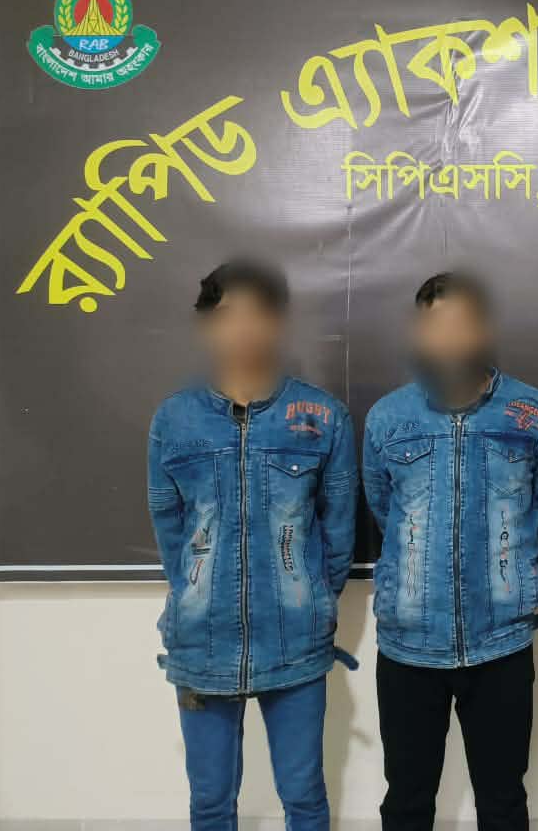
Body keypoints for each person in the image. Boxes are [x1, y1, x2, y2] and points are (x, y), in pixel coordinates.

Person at [146, 258, 358, 831]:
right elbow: (170, 529)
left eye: (257, 314)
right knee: (211, 801)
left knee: (304, 796)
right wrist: (196, 594)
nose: (243, 328)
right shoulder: (175, 420)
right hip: (201, 645)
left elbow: (339, 531)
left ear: (278, 323)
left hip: (296, 642)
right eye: (227, 314)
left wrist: (310, 598)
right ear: (206, 325)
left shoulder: (322, 417)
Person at [362, 271, 538, 831]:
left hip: (501, 642)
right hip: (408, 645)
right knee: (407, 802)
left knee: (502, 802)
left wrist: (507, 574)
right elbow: (384, 509)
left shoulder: (534, 413)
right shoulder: (389, 417)